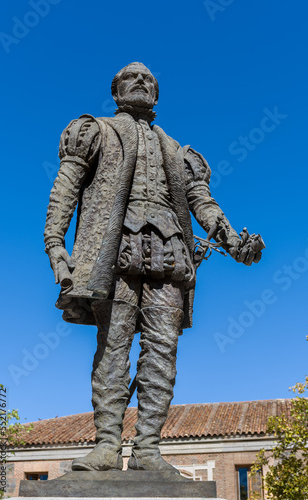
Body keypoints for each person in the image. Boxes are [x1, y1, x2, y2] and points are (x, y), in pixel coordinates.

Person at [44, 62, 263, 473]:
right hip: (115, 256)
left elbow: (203, 203)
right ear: (116, 91)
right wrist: (55, 246)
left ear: (157, 96)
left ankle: (147, 450)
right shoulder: (95, 131)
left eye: (149, 79)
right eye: (131, 77)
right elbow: (66, 188)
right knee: (113, 350)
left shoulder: (180, 152)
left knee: (163, 353)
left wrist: (233, 241)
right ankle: (107, 446)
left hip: (170, 256)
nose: (141, 81)